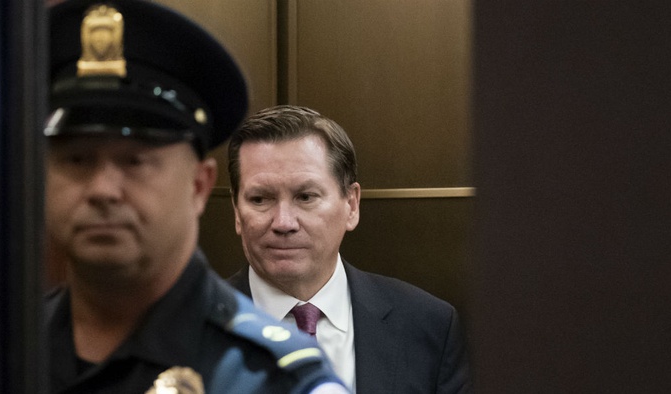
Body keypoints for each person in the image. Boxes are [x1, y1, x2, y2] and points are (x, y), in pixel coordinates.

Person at [42, 1, 348, 393]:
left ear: (199, 187)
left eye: (136, 161)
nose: (103, 190)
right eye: (78, 159)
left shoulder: (275, 382)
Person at [226, 105, 472, 393]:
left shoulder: (430, 327)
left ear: (351, 205)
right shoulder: (184, 331)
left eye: (305, 197)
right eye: (259, 199)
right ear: (236, 212)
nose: (283, 222)